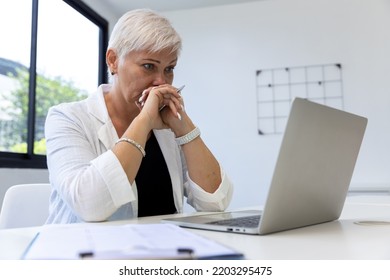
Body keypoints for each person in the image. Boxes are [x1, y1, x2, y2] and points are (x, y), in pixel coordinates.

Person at [44, 9, 233, 224]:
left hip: (163, 251)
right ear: (113, 60)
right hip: (86, 253)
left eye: (169, 69)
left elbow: (216, 202)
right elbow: (90, 206)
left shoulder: (167, 126)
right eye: (148, 66)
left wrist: (184, 128)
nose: (161, 82)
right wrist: (143, 122)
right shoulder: (68, 118)